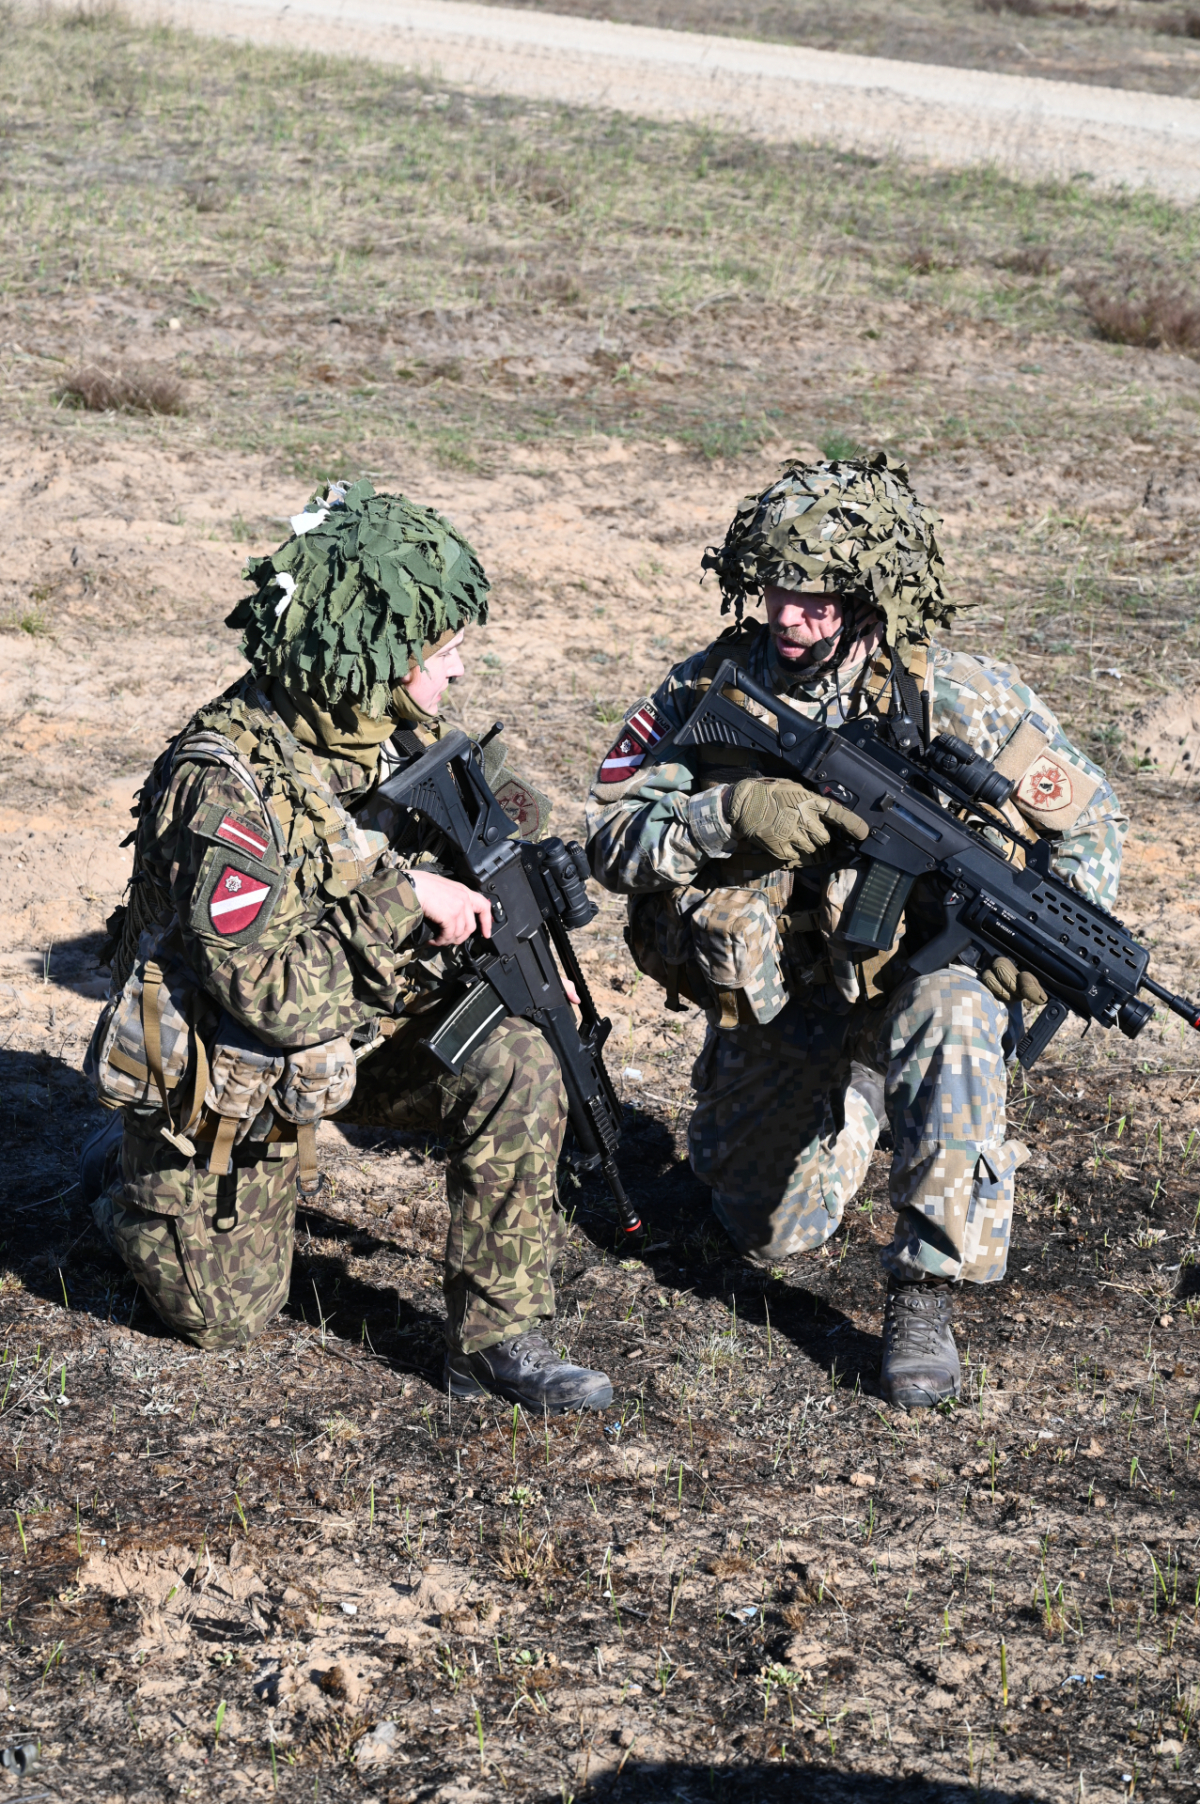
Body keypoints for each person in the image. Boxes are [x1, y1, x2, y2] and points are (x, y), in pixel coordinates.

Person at [585, 453, 1124, 1409]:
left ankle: (924, 1289)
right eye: (775, 593)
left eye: (818, 600)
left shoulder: (957, 695)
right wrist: (725, 815)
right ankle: (863, 1100)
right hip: (790, 995)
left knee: (955, 1012)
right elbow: (607, 838)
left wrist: (1046, 937)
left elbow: (1092, 825)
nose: (790, 618)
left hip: (922, 978)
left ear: (872, 599)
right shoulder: (713, 688)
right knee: (765, 1230)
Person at [79, 480, 612, 1413]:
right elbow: (271, 999)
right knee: (222, 1319)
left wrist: (523, 886)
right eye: (440, 654)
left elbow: (505, 810)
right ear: (371, 657)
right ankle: (128, 1190)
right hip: (239, 1065)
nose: (454, 674)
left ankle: (495, 1340)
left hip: (360, 1033)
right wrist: (407, 900)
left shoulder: (385, 727)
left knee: (521, 1054)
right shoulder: (226, 789)